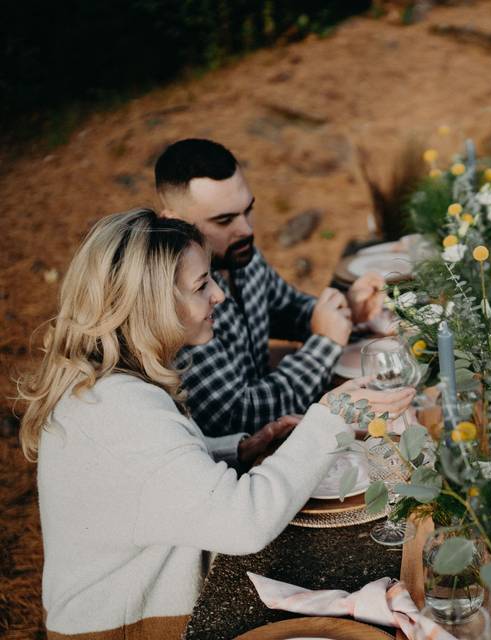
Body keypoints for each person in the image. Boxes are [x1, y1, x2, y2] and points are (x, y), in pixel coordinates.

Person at [16, 209, 412, 639]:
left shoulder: (111, 384)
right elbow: (244, 524)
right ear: (151, 305)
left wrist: (236, 448)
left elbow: (150, 478)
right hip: (132, 628)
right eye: (202, 285)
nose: (219, 295)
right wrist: (329, 417)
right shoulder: (119, 409)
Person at [155, 138, 386, 436]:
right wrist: (324, 345)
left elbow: (287, 310)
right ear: (175, 222)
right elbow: (239, 417)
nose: (247, 230)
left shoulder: (241, 256)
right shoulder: (174, 299)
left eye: (247, 211)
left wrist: (346, 308)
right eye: (224, 220)